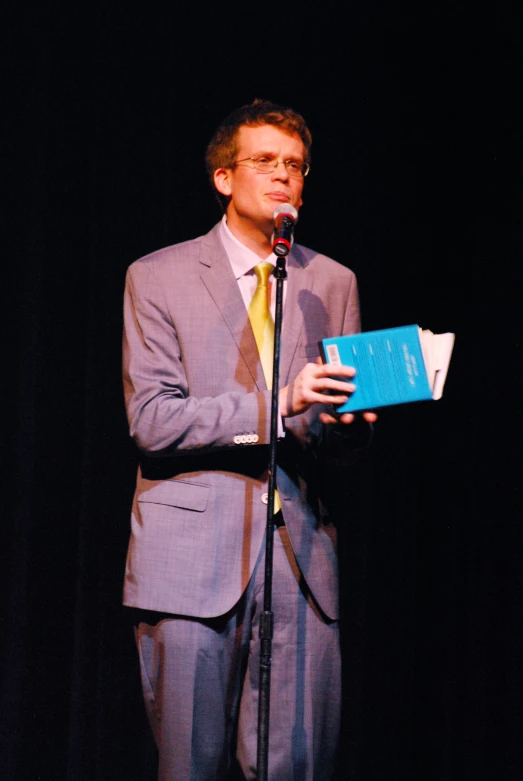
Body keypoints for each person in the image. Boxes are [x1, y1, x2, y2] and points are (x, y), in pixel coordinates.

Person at [122, 99, 376, 781]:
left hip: (301, 566)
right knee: (188, 767)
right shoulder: (158, 276)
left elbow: (332, 447)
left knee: (294, 767)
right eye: (264, 161)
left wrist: (346, 425)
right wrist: (279, 404)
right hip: (191, 562)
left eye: (294, 165)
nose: (283, 176)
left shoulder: (332, 282)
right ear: (224, 178)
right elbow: (152, 418)